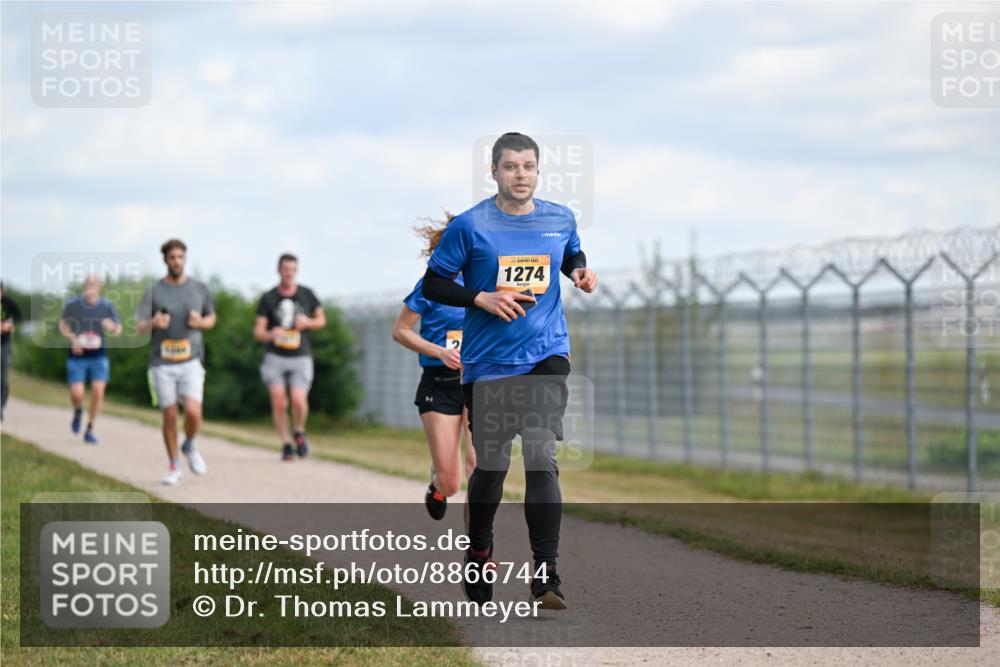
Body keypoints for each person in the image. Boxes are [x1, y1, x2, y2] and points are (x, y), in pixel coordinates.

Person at [422, 132, 597, 610]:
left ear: (538, 171)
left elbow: (571, 253)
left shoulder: (559, 217)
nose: (520, 175)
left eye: (529, 166)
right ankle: (479, 550)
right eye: (510, 167)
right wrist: (480, 297)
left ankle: (547, 575)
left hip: (547, 353)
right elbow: (434, 283)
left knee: (541, 454)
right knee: (494, 466)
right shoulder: (471, 225)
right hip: (489, 364)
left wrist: (579, 272)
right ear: (495, 171)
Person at [392, 215, 476, 521]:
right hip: (438, 383)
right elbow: (400, 330)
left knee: (478, 470)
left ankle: (478, 552)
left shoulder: (485, 282)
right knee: (452, 482)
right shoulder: (431, 285)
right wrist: (439, 351)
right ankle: (438, 485)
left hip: (477, 382)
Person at [136, 239, 216, 486]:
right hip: (162, 363)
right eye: (172, 257)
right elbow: (138, 326)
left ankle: (189, 444)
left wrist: (200, 323)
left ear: (185, 258)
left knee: (193, 411)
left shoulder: (199, 288)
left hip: (191, 359)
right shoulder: (154, 291)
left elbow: (211, 318)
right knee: (169, 416)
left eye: (180, 257)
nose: (177, 261)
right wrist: (152, 323)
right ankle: (174, 465)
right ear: (165, 260)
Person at [253, 253, 325, 461]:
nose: (289, 274)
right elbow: (258, 332)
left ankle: (299, 431)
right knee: (278, 402)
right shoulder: (268, 298)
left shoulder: (307, 294)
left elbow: (321, 320)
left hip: (301, 356)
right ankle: (285, 444)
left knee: (298, 400)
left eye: (293, 270)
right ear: (279, 270)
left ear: (296, 271)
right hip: (275, 357)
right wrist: (270, 334)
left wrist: (308, 323)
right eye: (286, 269)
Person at [58, 275, 122, 443]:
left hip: (98, 356)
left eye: (94, 284)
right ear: (84, 286)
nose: (91, 286)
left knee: (98, 392)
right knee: (77, 394)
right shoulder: (73, 304)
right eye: (88, 283)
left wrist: (112, 327)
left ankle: (89, 429)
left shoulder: (107, 306)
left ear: (100, 287)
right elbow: (63, 325)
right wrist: (72, 339)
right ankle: (78, 410)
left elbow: (118, 329)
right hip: (77, 355)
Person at [1, 281, 23, 421]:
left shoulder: (9, 303)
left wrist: (9, 323)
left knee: (2, 376)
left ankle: (0, 406)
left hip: (4, 343)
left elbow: (19, 316)